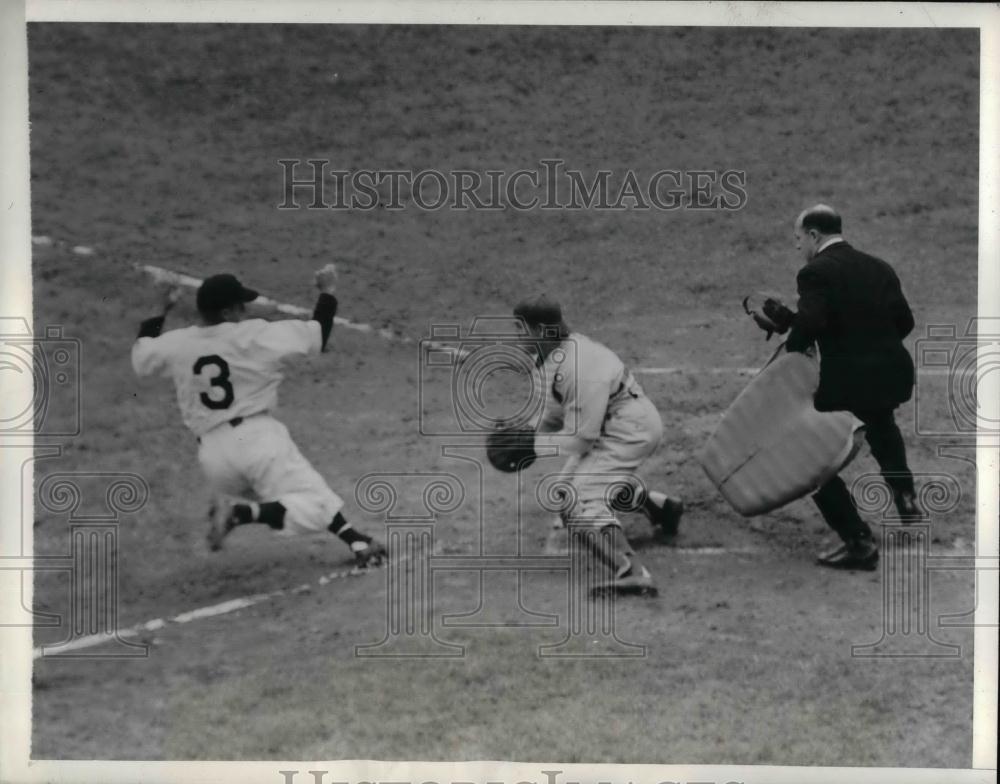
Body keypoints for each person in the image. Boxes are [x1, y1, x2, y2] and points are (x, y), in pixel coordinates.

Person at [131, 265, 386, 567]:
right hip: (257, 443)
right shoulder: (253, 336)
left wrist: (162, 306)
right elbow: (318, 334)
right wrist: (327, 292)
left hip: (214, 459)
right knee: (312, 502)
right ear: (227, 312)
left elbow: (141, 357)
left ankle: (358, 542)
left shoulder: (178, 343)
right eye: (240, 306)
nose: (245, 311)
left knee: (298, 495)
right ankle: (240, 514)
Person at [514, 297, 683, 596]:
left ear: (540, 331)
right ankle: (661, 508)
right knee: (568, 494)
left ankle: (633, 572)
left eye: (521, 329)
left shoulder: (580, 366)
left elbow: (582, 438)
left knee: (578, 501)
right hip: (613, 424)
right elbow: (555, 415)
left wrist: (531, 446)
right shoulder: (551, 356)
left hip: (629, 429)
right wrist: (525, 434)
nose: (516, 336)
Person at [784, 204, 922, 570]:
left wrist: (793, 346)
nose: (798, 247)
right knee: (881, 425)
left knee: (809, 455)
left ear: (814, 235)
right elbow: (904, 321)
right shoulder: (879, 266)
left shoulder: (814, 273)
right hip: (891, 372)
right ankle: (905, 498)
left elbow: (812, 323)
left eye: (798, 239)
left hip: (847, 380)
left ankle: (857, 541)